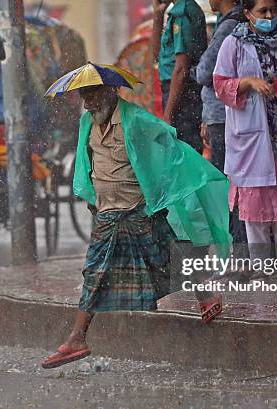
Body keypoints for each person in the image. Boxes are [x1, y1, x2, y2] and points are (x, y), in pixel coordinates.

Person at [41, 77, 231, 369]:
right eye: (84, 96)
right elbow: (86, 162)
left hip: (138, 209)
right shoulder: (87, 124)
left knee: (166, 258)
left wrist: (161, 189)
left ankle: (206, 295)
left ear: (111, 91)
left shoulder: (136, 120)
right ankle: (77, 337)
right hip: (107, 213)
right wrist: (93, 196)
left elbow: (167, 142)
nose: (88, 102)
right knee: (96, 272)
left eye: (93, 94)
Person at [213, 0, 277, 263]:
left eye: (273, 10)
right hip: (251, 140)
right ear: (248, 13)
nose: (269, 16)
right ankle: (261, 267)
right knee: (255, 213)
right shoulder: (234, 43)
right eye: (263, 11)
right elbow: (219, 84)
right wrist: (248, 82)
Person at [195, 0, 248, 257]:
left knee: (230, 189)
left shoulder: (230, 25)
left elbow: (205, 72)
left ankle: (237, 252)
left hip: (224, 118)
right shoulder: (227, 23)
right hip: (220, 117)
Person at [152, 0, 207, 152]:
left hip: (182, 93)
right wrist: (157, 15)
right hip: (175, 91)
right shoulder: (175, 13)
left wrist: (168, 115)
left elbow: (182, 69)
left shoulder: (183, 13)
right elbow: (157, 56)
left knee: (184, 152)